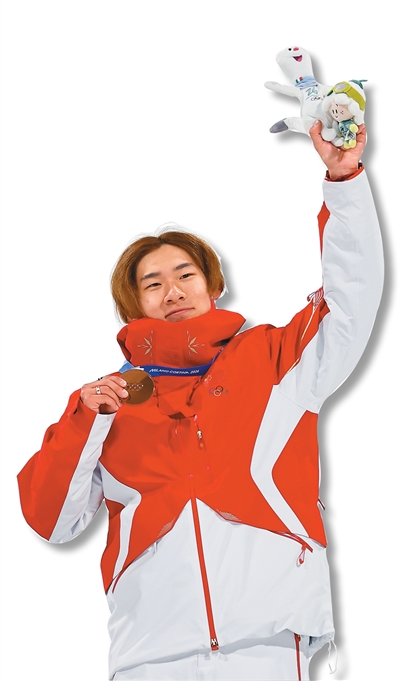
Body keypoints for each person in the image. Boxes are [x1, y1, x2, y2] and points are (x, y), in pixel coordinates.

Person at [17, 121, 383, 681]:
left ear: (213, 286)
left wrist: (345, 179)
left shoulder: (276, 361)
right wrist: (83, 419)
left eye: (185, 274)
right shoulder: (108, 403)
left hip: (265, 645)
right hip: (148, 655)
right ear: (135, 308)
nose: (173, 291)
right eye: (152, 284)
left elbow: (351, 300)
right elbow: (53, 523)